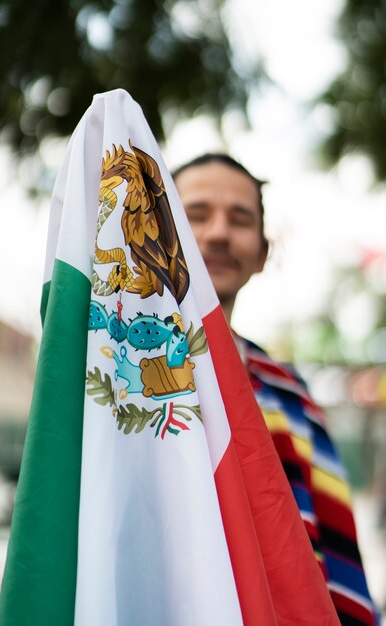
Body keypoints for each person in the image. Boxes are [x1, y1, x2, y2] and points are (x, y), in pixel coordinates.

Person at [173, 153, 379, 626]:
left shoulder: (289, 393)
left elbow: (325, 551)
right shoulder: (117, 371)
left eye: (240, 219)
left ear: (262, 254)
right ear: (161, 232)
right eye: (196, 214)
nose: (219, 232)